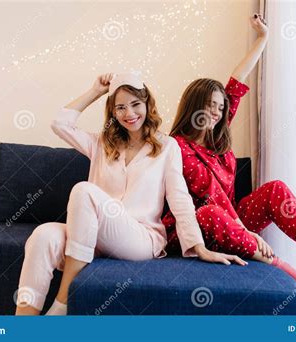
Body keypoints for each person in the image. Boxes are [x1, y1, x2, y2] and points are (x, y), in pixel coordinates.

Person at [162, 14, 296, 310]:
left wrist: (263, 38)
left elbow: (236, 82)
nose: (217, 112)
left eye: (220, 107)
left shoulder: (218, 140)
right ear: (194, 106)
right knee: (208, 212)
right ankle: (287, 271)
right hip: (198, 227)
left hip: (232, 221)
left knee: (275, 189)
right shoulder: (174, 147)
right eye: (209, 105)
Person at [15, 72, 247, 316]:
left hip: (140, 238)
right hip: (94, 236)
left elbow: (180, 199)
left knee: (83, 191)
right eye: (121, 107)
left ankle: (62, 305)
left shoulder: (167, 147)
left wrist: (199, 247)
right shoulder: (102, 143)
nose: (129, 113)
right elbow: (59, 124)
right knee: (42, 235)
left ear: (147, 104)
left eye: (135, 104)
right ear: (113, 112)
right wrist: (95, 91)